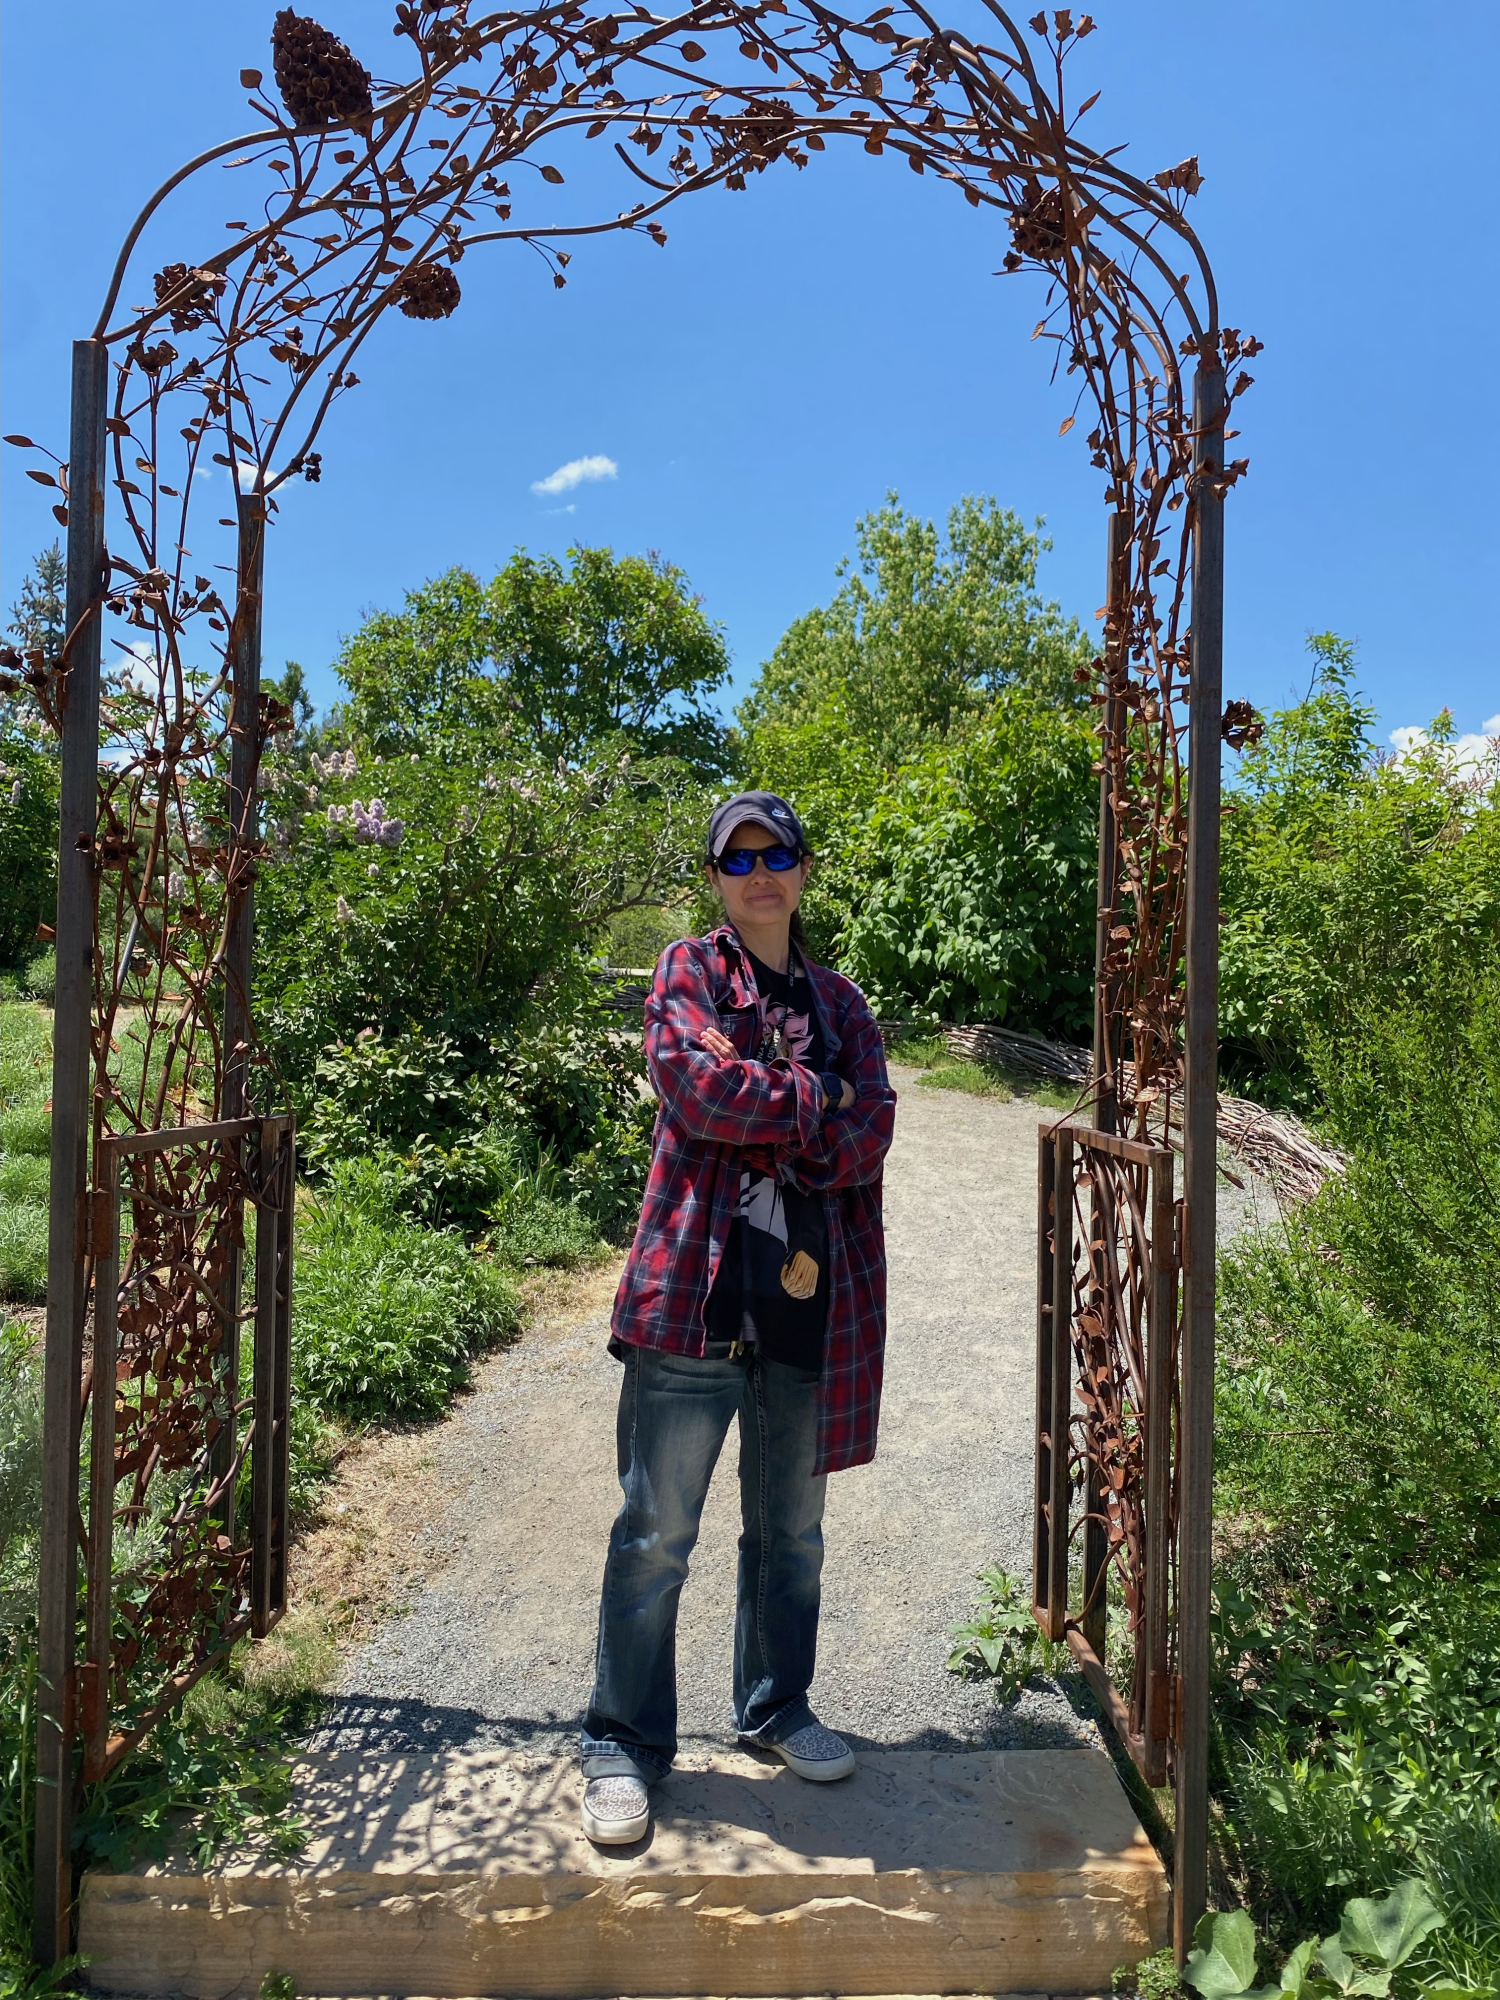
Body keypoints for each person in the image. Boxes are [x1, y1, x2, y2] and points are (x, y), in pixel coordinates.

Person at [579, 790, 898, 1845]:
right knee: (655, 1531)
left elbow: (875, 1131)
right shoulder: (687, 971)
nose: (760, 870)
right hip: (694, 1297)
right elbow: (697, 1090)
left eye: (779, 853)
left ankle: (775, 1705)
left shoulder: (844, 1001)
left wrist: (781, 1098)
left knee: (792, 1536)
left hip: (809, 1306)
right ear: (716, 878)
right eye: (738, 856)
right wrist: (817, 1097)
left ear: (806, 869)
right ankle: (622, 1741)